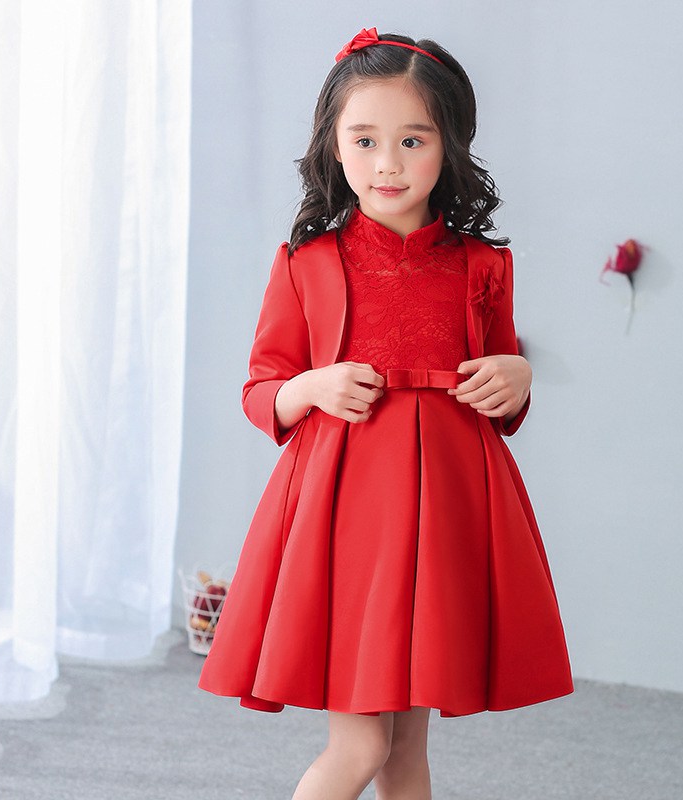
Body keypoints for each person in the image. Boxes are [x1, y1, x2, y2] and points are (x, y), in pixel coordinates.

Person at [197, 26, 573, 800]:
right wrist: (314, 387)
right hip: (346, 516)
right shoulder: (307, 264)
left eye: (412, 140)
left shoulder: (483, 265)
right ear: (334, 147)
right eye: (364, 140)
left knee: (405, 750)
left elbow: (501, 387)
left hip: (445, 514)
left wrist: (518, 374)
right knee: (363, 741)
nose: (388, 164)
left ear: (449, 145)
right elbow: (263, 388)